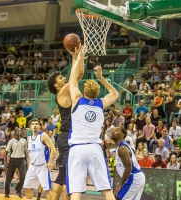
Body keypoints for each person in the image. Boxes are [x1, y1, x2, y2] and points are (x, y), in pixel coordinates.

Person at [67, 46, 118, 200]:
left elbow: (72, 79)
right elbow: (115, 93)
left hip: (77, 148)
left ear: (85, 90)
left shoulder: (77, 99)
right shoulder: (101, 103)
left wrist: (79, 59)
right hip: (95, 148)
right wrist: (101, 77)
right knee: (107, 190)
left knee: (76, 190)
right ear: (97, 92)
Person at [46, 45, 85, 200]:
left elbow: (79, 73)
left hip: (65, 136)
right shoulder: (61, 92)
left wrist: (77, 58)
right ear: (57, 85)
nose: (64, 78)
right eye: (61, 78)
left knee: (62, 173)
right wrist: (77, 58)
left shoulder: (66, 91)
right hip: (66, 136)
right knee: (69, 175)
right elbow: (75, 75)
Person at [23, 118, 56, 200]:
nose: (34, 125)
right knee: (27, 187)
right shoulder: (29, 138)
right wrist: (29, 162)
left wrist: (50, 162)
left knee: (47, 190)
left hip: (43, 167)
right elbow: (30, 152)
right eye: (33, 124)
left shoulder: (43, 135)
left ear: (39, 126)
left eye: (36, 124)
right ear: (30, 127)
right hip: (33, 167)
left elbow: (53, 149)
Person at [110, 127, 145, 200]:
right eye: (113, 130)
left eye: (117, 130)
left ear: (122, 135)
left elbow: (128, 168)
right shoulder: (121, 147)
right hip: (136, 177)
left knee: (119, 198)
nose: (113, 131)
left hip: (134, 178)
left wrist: (120, 185)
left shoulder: (122, 148)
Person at [4, 128, 28, 198]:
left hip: (21, 160)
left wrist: (26, 162)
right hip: (13, 159)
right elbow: (5, 152)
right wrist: (5, 164)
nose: (18, 132)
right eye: (17, 131)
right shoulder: (11, 141)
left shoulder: (24, 141)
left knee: (23, 177)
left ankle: (18, 190)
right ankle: (6, 193)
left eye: (19, 131)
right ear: (14, 132)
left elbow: (25, 152)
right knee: (9, 177)